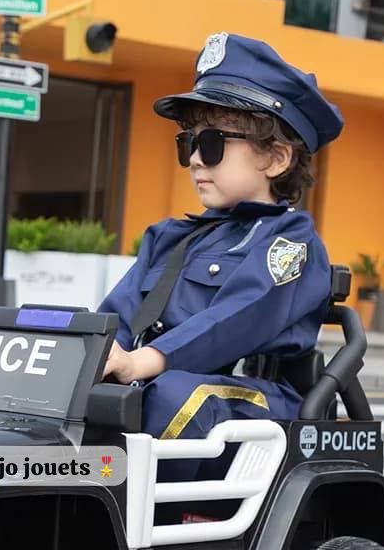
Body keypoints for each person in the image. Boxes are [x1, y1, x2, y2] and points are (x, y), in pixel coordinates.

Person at [99, 32, 343, 445]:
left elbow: (239, 316)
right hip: (169, 391)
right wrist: (95, 356)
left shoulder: (291, 243)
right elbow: (118, 319)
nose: (194, 158)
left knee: (176, 396)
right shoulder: (169, 237)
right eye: (189, 142)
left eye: (212, 143)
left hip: (258, 406)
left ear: (275, 158)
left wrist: (145, 360)